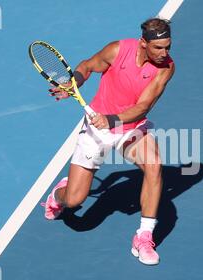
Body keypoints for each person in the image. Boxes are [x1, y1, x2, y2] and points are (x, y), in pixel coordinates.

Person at [43, 18, 175, 266]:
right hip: (96, 130)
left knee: (154, 165)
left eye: (168, 46)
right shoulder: (117, 50)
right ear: (143, 43)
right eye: (158, 48)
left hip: (128, 127)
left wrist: (112, 119)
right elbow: (87, 66)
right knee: (74, 201)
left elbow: (143, 107)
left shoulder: (166, 67)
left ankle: (144, 237)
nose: (164, 53)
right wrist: (75, 81)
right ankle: (57, 197)